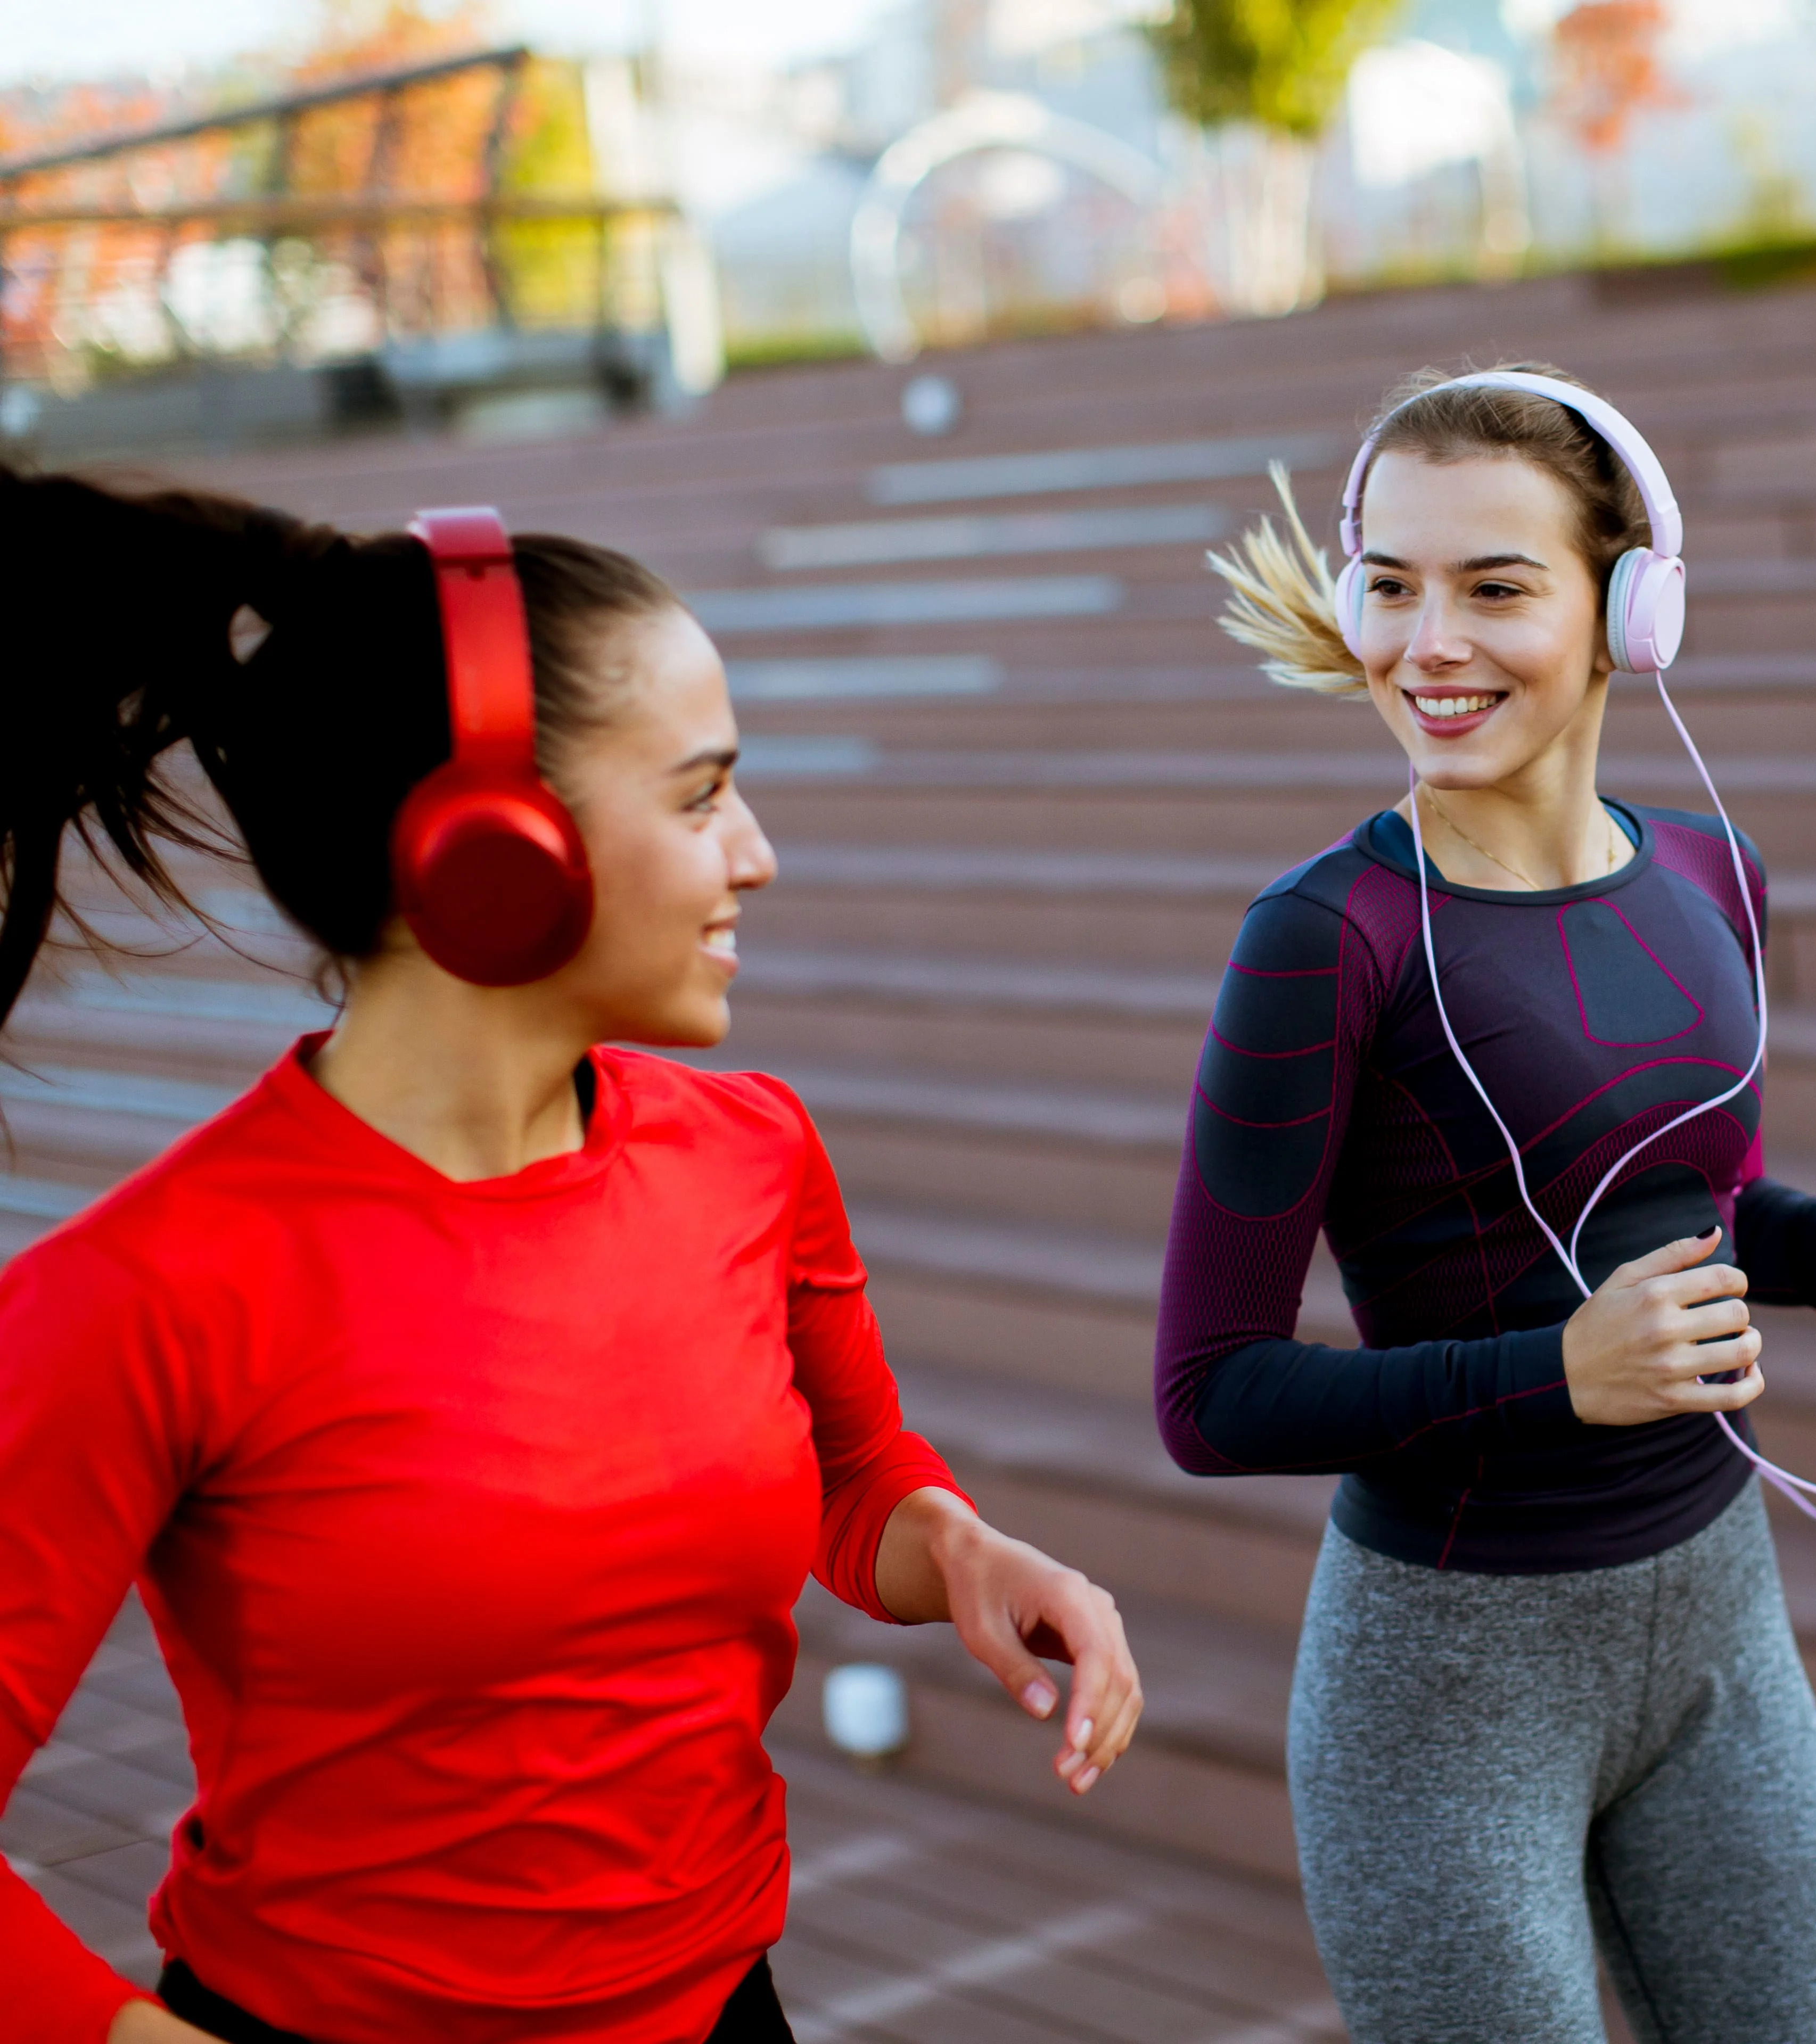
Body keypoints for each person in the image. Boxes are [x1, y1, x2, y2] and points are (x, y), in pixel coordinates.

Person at [0, 475, 1143, 2044]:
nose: (756, 855)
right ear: (492, 848)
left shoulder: (754, 1151)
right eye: (699, 796)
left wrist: (960, 1557)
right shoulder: (143, 1292)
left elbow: (851, 1472)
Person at [1154, 365, 1816, 2042]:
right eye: (1393, 585)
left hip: (1720, 1629)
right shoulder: (1327, 939)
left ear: (1633, 610)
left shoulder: (1713, 876)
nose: (1430, 643)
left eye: (1495, 587)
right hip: (1445, 1695)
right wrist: (1556, 1373)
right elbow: (1208, 1399)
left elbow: (1690, 1205)